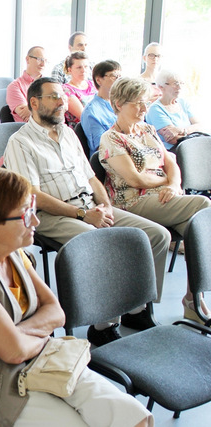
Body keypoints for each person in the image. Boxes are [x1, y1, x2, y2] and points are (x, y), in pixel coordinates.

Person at [0, 167, 153, 427]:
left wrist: (16, 333)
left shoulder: (11, 250)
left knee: (134, 418)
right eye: (25, 215)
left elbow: (56, 313)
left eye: (31, 208)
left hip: (41, 362)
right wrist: (31, 337)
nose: (35, 221)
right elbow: (13, 352)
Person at [4, 77, 171, 347]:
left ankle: (137, 309)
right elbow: (34, 196)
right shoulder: (20, 142)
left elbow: (92, 178)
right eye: (54, 97)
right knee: (105, 244)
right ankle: (103, 325)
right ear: (34, 103)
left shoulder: (69, 133)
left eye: (63, 96)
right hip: (51, 215)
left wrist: (104, 205)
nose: (62, 102)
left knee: (157, 235)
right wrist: (83, 215)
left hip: (90, 206)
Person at [99, 77, 211, 323]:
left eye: (145, 103)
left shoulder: (147, 130)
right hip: (131, 202)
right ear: (118, 104)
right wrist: (165, 182)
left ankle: (193, 299)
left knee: (195, 233)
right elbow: (135, 179)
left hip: (161, 199)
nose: (144, 109)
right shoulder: (111, 139)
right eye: (137, 104)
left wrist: (173, 184)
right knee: (204, 206)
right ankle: (149, 305)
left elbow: (170, 161)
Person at [146, 69, 208, 150]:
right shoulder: (155, 109)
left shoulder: (183, 103)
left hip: (193, 146)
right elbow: (173, 139)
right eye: (175, 84)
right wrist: (193, 131)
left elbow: (200, 126)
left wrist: (182, 130)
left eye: (181, 83)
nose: (179, 87)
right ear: (161, 86)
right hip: (176, 150)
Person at [81, 60, 121, 156]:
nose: (118, 80)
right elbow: (102, 148)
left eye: (120, 76)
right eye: (114, 76)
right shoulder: (91, 112)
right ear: (98, 80)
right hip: (111, 158)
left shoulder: (124, 104)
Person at [7, 46, 47, 122]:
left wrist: (32, 108)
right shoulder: (15, 86)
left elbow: (63, 106)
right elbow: (26, 115)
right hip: (30, 131)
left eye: (45, 60)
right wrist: (50, 106)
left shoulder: (50, 84)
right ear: (27, 59)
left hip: (53, 129)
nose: (43, 64)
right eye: (39, 59)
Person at [63, 51, 97, 129]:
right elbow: (83, 116)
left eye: (86, 67)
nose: (83, 70)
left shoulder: (93, 84)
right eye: (79, 67)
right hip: (81, 131)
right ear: (70, 70)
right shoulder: (66, 90)